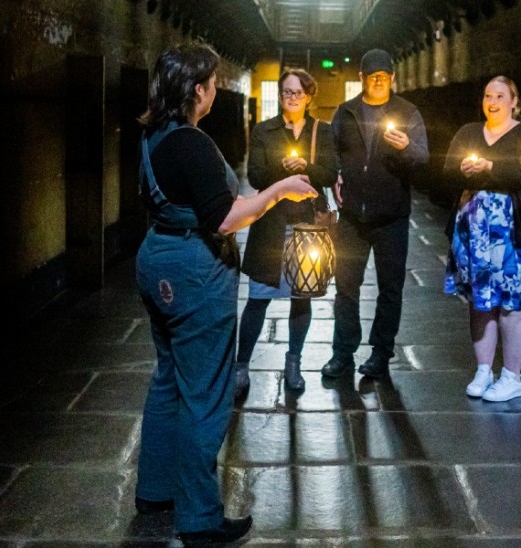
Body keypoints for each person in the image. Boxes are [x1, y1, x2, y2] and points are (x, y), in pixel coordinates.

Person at [132, 43, 316, 544]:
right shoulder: (191, 143)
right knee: (205, 393)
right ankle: (199, 518)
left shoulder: (153, 133)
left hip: (157, 256)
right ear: (198, 90)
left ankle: (155, 489)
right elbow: (225, 218)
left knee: (168, 379)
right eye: (213, 82)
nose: (216, 89)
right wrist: (278, 192)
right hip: (194, 269)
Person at [320, 48, 429, 380]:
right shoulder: (346, 112)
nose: (379, 82)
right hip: (353, 215)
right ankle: (343, 353)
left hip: (391, 215)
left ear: (392, 78)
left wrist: (405, 147)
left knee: (390, 289)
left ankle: (381, 354)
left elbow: (422, 158)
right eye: (372, 77)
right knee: (346, 287)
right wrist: (335, 176)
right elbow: (331, 152)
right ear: (362, 78)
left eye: (384, 77)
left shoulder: (407, 112)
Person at [441, 76, 521, 402]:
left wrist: (491, 167)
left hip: (513, 233)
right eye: (488, 95)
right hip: (473, 234)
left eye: (500, 96)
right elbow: (446, 171)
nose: (492, 102)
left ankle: (512, 376)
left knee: (513, 305)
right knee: (481, 302)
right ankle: (483, 369)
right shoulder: (468, 132)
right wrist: (463, 170)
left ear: (514, 101)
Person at [235, 68, 339, 395]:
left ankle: (293, 363)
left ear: (309, 97)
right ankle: (241, 365)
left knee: (301, 297)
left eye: (297, 92)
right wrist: (282, 168)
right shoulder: (264, 130)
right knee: (258, 298)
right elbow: (254, 176)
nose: (292, 98)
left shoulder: (321, 132)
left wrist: (306, 166)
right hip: (270, 224)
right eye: (286, 92)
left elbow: (330, 172)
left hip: (306, 226)